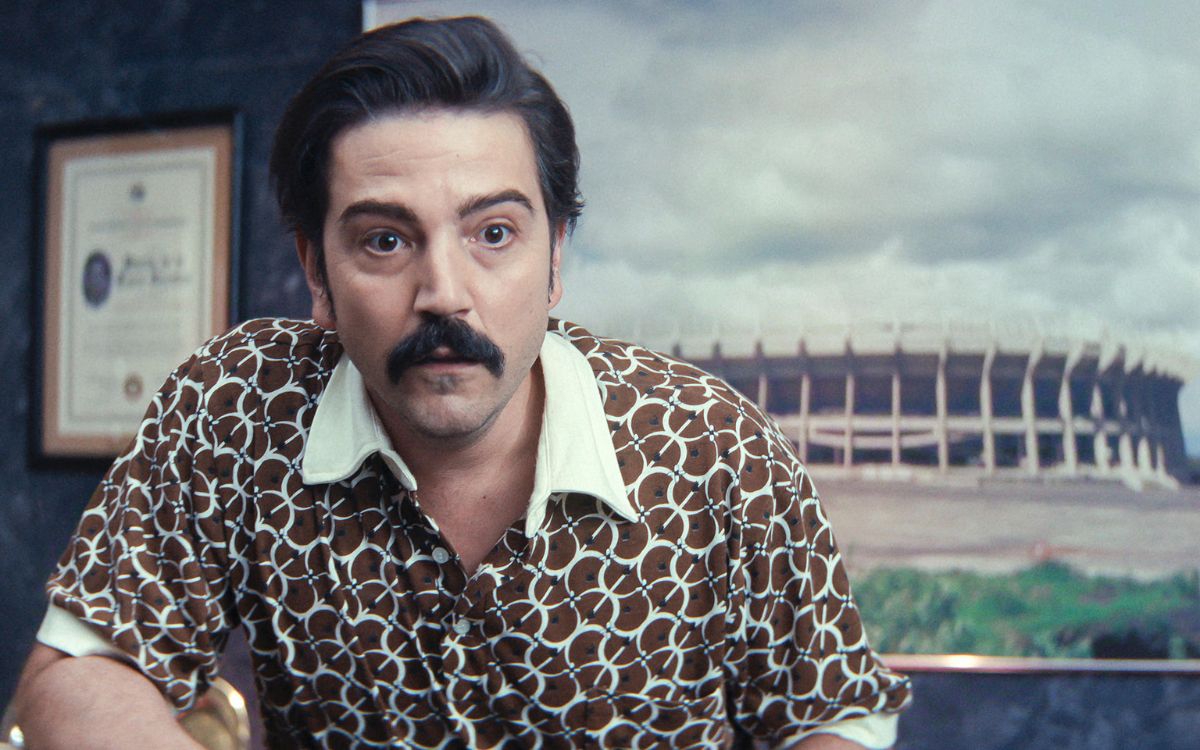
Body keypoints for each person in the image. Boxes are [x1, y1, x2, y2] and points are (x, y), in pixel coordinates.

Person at [12, 16, 911, 749]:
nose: (443, 291)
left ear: (554, 260)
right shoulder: (239, 407)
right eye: (384, 240)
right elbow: (81, 674)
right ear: (316, 272)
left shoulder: (712, 447)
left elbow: (832, 713)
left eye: (493, 234)